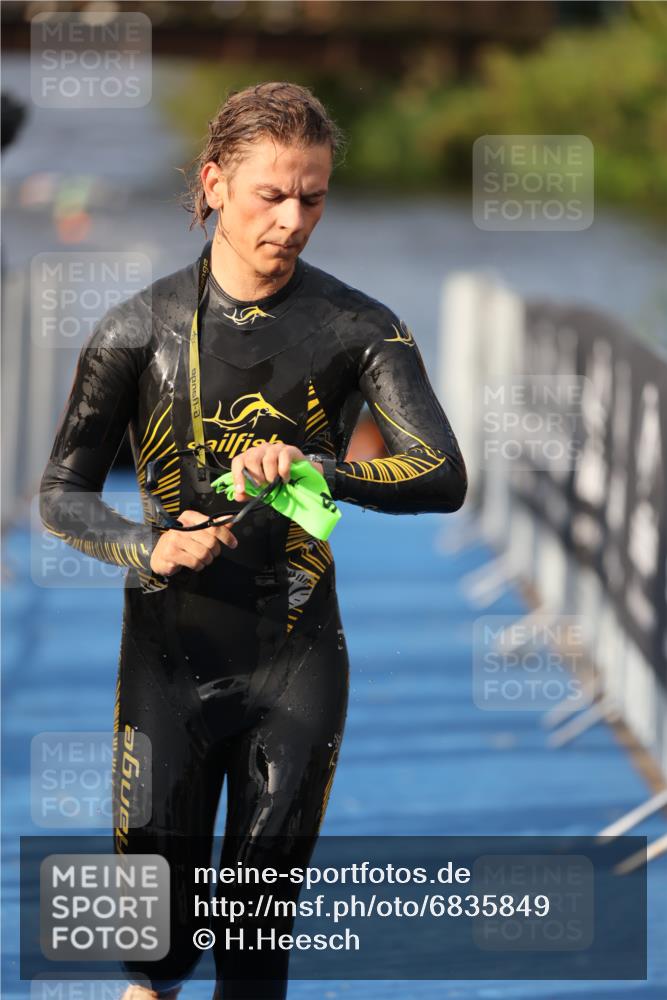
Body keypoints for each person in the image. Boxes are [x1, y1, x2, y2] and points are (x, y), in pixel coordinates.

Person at [39, 82, 467, 1000]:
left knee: (253, 943)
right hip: (166, 658)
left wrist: (320, 467)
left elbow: (442, 474)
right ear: (214, 183)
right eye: (271, 194)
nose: (292, 219)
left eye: (312, 196)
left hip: (296, 653)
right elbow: (62, 495)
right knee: (151, 953)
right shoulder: (133, 331)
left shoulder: (362, 328)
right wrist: (144, 548)